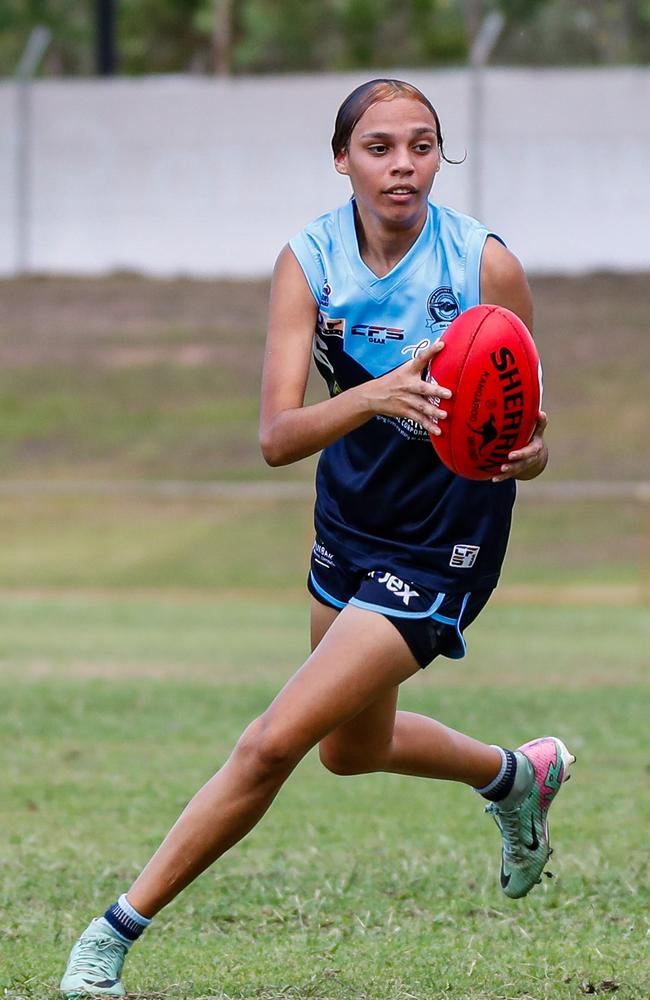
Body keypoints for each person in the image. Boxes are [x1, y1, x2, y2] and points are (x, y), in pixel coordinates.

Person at [60, 79, 574, 998]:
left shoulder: (485, 265)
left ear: (439, 158)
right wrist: (375, 394)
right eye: (379, 147)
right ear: (342, 159)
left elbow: (527, 432)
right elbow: (275, 438)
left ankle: (111, 937)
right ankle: (514, 776)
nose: (403, 164)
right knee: (348, 748)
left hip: (443, 541)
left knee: (272, 744)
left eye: (422, 145)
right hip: (349, 523)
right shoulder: (312, 261)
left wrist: (528, 455)